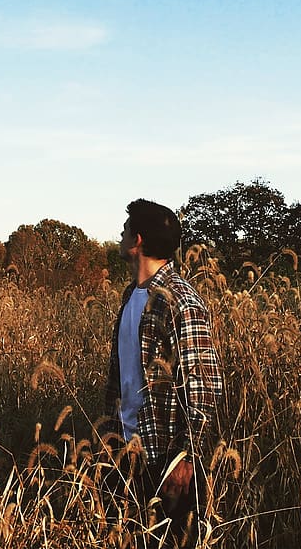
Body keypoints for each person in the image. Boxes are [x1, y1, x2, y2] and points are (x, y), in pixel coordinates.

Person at [104, 198, 223, 535]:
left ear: (137, 240)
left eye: (125, 229)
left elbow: (202, 382)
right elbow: (122, 377)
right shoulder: (131, 295)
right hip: (125, 452)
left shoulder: (180, 301)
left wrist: (186, 457)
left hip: (166, 459)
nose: (120, 234)